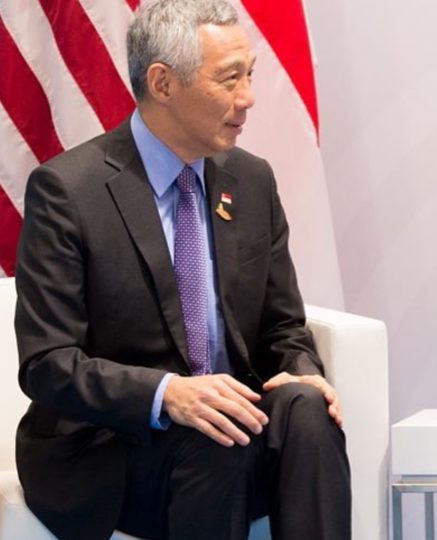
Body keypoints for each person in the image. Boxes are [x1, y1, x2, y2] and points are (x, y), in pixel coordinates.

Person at [13, 1, 350, 539]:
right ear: (163, 83)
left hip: (229, 431)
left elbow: (283, 327)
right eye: (229, 79)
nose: (249, 98)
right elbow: (48, 365)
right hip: (113, 450)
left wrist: (299, 368)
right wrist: (168, 393)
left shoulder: (251, 180)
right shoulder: (69, 192)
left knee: (307, 410)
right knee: (216, 436)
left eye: (250, 75)